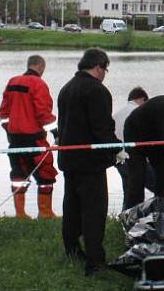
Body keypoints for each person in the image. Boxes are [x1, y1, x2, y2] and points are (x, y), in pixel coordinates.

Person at [57, 48, 121, 276]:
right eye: (106, 69)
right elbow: (102, 129)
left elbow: (63, 125)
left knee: (72, 207)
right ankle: (95, 262)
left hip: (68, 159)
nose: (105, 74)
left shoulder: (66, 88)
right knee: (94, 211)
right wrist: (118, 149)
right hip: (90, 163)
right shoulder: (97, 91)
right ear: (99, 66)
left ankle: (72, 250)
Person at [0, 54, 58, 219]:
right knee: (46, 174)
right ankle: (45, 212)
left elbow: (3, 113)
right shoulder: (39, 84)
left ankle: (20, 213)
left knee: (18, 176)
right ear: (40, 67)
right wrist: (56, 133)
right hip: (35, 140)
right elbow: (43, 113)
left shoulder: (12, 82)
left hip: (14, 140)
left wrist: (10, 129)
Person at [112, 86, 154, 204]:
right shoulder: (141, 112)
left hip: (119, 159)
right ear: (142, 99)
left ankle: (127, 218)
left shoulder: (117, 114)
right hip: (136, 159)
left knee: (129, 192)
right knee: (159, 186)